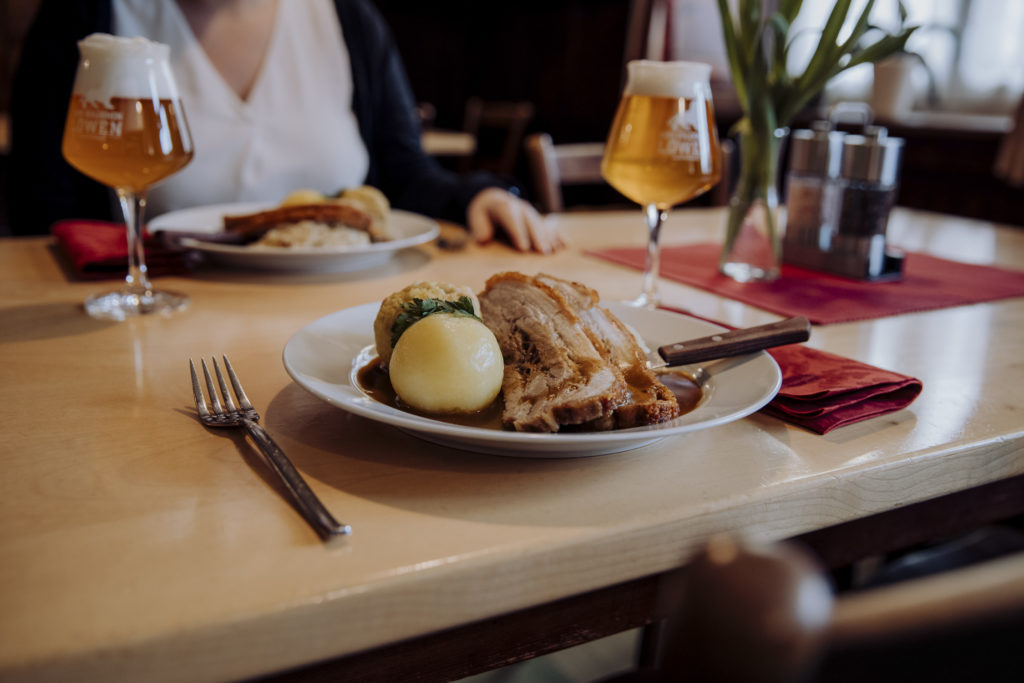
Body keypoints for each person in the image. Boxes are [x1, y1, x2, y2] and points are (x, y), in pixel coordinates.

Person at [9, 0, 563, 253]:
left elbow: (404, 172)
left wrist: (477, 196)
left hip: (334, 312)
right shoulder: (84, 18)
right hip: (159, 312)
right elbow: (42, 211)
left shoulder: (349, 18)